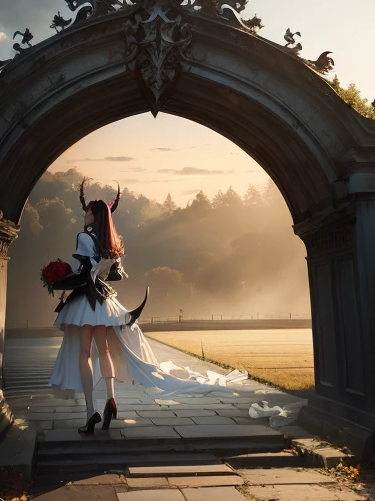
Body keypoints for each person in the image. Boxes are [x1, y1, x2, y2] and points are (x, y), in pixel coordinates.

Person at [49, 181, 248, 435]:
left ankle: (90, 412)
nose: (84, 214)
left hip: (86, 300)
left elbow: (84, 272)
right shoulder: (111, 242)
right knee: (105, 349)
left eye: (88, 211)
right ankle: (111, 399)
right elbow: (115, 276)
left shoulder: (84, 237)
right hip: (103, 301)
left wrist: (61, 279)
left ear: (95, 215)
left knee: (85, 353)